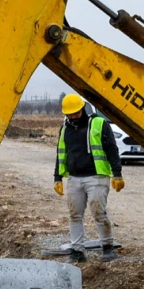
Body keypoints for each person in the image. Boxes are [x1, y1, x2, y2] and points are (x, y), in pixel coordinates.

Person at [53, 94, 124, 263]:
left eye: (75, 113)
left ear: (82, 109)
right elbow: (61, 153)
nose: (72, 116)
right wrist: (57, 177)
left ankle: (107, 246)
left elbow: (112, 149)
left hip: (96, 176)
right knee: (74, 215)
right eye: (69, 114)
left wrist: (117, 173)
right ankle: (77, 251)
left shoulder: (99, 123)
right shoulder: (65, 129)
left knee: (98, 212)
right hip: (74, 178)